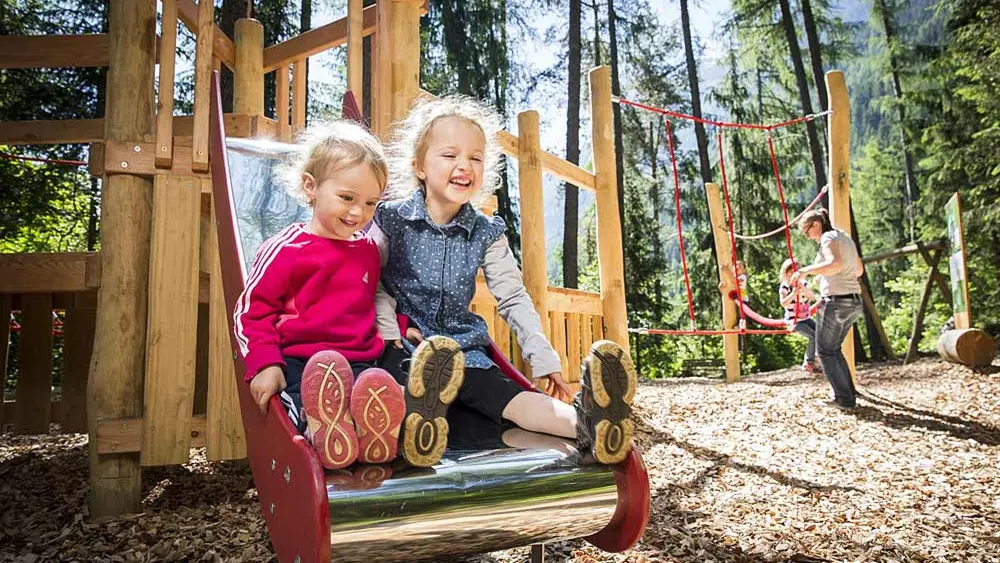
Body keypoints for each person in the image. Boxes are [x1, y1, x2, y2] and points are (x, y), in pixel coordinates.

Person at [371, 94, 637, 467]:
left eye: (475, 158)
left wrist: (543, 358)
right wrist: (389, 333)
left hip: (463, 353)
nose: (464, 165)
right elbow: (375, 283)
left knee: (515, 401)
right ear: (419, 165)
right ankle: (419, 424)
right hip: (405, 349)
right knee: (397, 385)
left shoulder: (485, 232)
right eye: (449, 155)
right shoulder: (391, 220)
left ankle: (590, 422)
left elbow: (512, 296)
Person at [233, 120, 406, 470]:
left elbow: (369, 299)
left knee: (372, 389)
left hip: (359, 360)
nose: (358, 212)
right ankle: (318, 430)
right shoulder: (287, 248)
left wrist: (400, 326)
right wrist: (265, 363)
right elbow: (251, 311)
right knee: (308, 395)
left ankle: (372, 434)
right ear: (311, 187)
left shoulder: (368, 250)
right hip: (303, 360)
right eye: (347, 198)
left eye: (371, 203)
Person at [791, 208, 864, 409]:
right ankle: (848, 394)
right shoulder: (845, 237)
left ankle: (845, 399)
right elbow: (858, 270)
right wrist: (824, 275)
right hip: (854, 302)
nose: (808, 237)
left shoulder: (827, 237)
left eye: (807, 232)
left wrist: (805, 271)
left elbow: (835, 263)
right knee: (833, 350)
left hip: (836, 302)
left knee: (824, 352)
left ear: (816, 224)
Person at [778, 258, 820, 374]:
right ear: (786, 274)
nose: (793, 275)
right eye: (790, 272)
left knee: (821, 333)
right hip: (794, 321)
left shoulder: (803, 283)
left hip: (806, 318)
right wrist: (793, 294)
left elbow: (812, 297)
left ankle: (817, 359)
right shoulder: (785, 287)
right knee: (813, 336)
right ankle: (808, 362)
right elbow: (783, 303)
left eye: (795, 272)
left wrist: (804, 289)